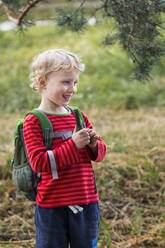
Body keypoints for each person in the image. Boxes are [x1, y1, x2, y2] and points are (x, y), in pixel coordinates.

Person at [23, 49, 106, 248]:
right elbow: (39, 163)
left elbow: (100, 155)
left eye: (75, 82)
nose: (72, 89)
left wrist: (94, 144)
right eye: (66, 82)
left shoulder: (77, 116)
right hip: (52, 205)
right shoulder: (34, 121)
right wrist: (73, 145)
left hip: (86, 200)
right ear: (42, 82)